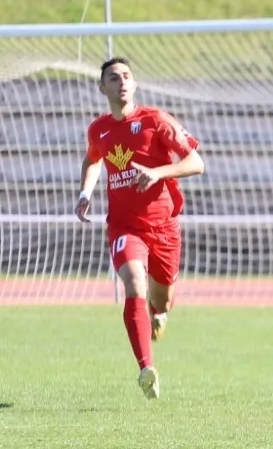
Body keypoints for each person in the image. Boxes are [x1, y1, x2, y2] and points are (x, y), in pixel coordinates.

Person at [75, 56, 205, 400]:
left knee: (161, 298)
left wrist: (158, 173)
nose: (122, 82)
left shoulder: (156, 120)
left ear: (134, 84)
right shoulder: (98, 129)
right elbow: (92, 159)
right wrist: (85, 193)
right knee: (133, 283)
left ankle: (159, 313)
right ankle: (146, 368)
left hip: (163, 227)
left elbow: (196, 162)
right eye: (114, 78)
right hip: (124, 227)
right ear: (102, 88)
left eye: (127, 76)